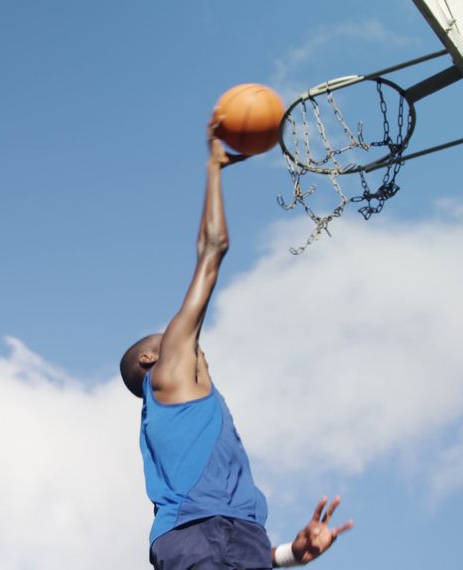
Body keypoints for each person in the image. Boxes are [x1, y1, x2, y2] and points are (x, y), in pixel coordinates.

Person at [120, 117, 354, 569]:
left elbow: (239, 550)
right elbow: (212, 250)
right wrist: (214, 168)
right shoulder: (168, 376)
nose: (176, 333)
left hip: (241, 534)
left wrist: (291, 553)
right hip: (193, 534)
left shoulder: (204, 411)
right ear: (151, 358)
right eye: (163, 337)